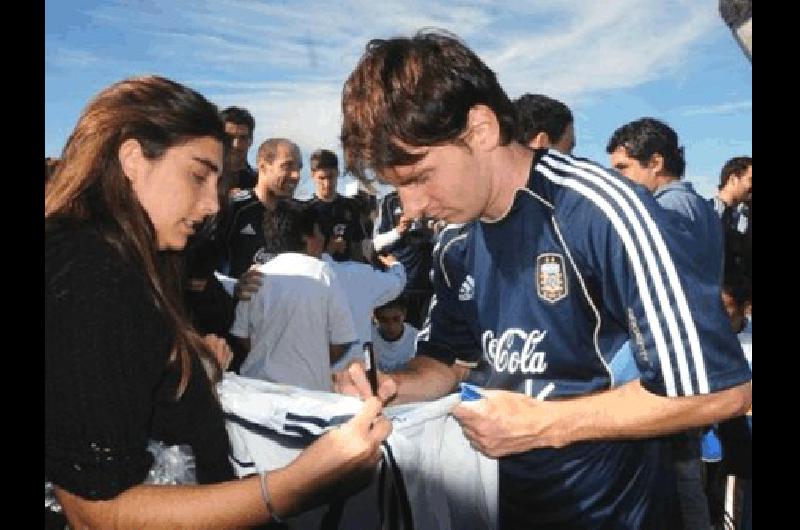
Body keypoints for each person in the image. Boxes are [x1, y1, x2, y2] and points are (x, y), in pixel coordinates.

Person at [336, 30, 752, 529]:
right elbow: (447, 362)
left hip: (612, 513)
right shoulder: (454, 244)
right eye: (397, 187)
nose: (412, 207)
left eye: (419, 177)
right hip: (501, 508)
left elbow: (719, 391)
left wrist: (544, 425)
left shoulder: (602, 213)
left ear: (482, 129)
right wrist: (392, 386)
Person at [45, 75, 392, 529]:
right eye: (197, 175)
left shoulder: (126, 262)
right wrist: (299, 482)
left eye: (219, 181)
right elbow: (96, 510)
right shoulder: (89, 272)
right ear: (133, 158)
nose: (212, 204)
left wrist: (185, 369)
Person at [607, 117, 723, 530]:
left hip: (670, 368)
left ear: (655, 162)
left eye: (623, 168)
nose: (617, 180)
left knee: (680, 481)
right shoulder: (696, 207)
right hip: (687, 364)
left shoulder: (670, 209)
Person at [230, 199, 358, 391]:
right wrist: (314, 361)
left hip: (258, 392)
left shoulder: (257, 275)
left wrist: (270, 355)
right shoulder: (323, 273)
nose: (323, 239)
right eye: (319, 231)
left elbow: (241, 334)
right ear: (307, 237)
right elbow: (342, 339)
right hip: (310, 395)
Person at [218, 137, 303, 278]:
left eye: (298, 168)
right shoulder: (234, 209)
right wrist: (235, 287)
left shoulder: (298, 215)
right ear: (263, 166)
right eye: (287, 166)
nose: (296, 175)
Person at [307, 149, 367, 262]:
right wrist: (328, 250)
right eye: (322, 178)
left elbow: (359, 246)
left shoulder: (351, 206)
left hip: (348, 273)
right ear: (313, 175)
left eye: (331, 177)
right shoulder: (307, 211)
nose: (327, 184)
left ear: (338, 173)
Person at [371, 296, 419, 372]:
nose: (391, 326)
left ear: (404, 314)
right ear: (376, 318)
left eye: (396, 319)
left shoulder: (417, 339)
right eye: (384, 320)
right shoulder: (368, 338)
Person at [221, 106, 258, 196]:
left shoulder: (260, 184)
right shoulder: (202, 180)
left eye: (243, 138)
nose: (236, 144)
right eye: (229, 137)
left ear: (251, 141)